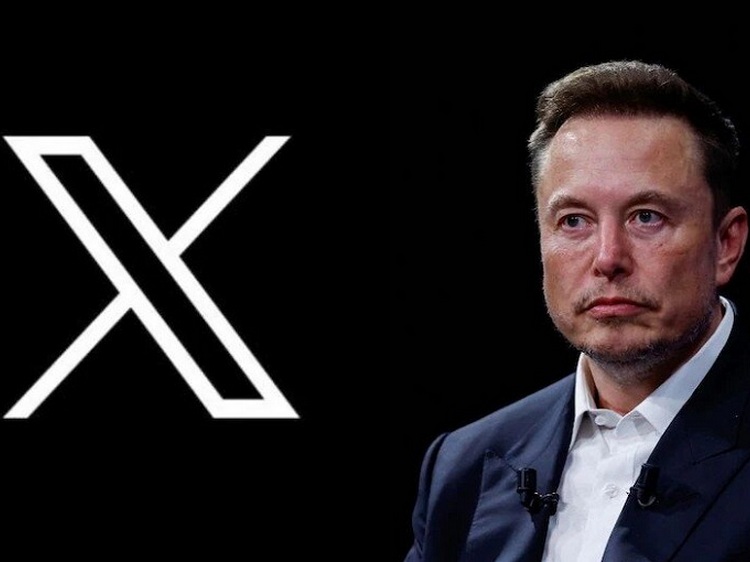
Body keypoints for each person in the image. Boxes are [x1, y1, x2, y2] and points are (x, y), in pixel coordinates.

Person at [403, 60, 749, 562]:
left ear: (725, 244)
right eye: (574, 221)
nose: (608, 258)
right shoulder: (464, 467)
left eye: (646, 217)